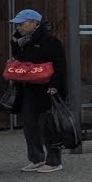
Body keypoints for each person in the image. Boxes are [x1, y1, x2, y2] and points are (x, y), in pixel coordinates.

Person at [8, 9, 67, 173]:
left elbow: (60, 64)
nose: (18, 27)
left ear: (34, 23)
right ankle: (36, 158)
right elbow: (20, 60)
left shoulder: (49, 40)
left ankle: (54, 161)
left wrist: (55, 85)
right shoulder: (19, 41)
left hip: (47, 88)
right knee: (29, 124)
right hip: (27, 87)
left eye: (22, 23)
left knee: (49, 124)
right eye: (17, 24)